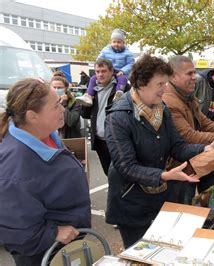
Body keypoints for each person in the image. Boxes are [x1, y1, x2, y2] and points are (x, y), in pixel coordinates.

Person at [104, 54, 214, 248]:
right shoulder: (118, 117)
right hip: (131, 203)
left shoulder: (162, 109)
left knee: (164, 250)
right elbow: (126, 167)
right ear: (141, 83)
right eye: (160, 84)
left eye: (166, 83)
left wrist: (204, 148)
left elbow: (177, 147)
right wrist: (164, 175)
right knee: (140, 256)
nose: (165, 89)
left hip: (159, 198)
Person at [0, 78, 91, 265]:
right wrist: (54, 233)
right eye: (56, 105)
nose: (62, 109)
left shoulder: (45, 134)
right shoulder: (15, 167)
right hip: (43, 255)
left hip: (63, 248)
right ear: (33, 116)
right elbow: (17, 232)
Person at [162, 55, 214, 204]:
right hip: (179, 165)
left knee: (207, 199)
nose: (194, 77)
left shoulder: (187, 97)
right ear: (173, 76)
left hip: (198, 158)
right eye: (189, 73)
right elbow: (188, 135)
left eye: (194, 72)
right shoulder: (170, 100)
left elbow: (205, 123)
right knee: (182, 206)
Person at [81, 58, 129, 176]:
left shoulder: (123, 88)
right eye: (97, 71)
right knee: (109, 174)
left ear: (111, 71)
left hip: (118, 140)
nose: (100, 75)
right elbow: (85, 115)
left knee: (124, 174)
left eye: (103, 71)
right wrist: (87, 104)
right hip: (100, 141)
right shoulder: (92, 89)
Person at [76, 29, 134, 106]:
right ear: (111, 42)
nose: (116, 44)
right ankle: (89, 96)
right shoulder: (106, 50)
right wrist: (100, 66)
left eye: (119, 42)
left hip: (119, 71)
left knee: (122, 79)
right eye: (114, 42)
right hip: (107, 68)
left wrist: (123, 71)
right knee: (93, 78)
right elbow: (99, 59)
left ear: (123, 43)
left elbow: (131, 64)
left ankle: (119, 93)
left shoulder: (127, 53)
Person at [51, 74, 82, 138]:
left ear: (66, 89)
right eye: (54, 87)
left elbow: (71, 121)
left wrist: (63, 105)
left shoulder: (74, 102)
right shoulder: (47, 102)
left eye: (59, 88)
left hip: (68, 139)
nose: (56, 90)